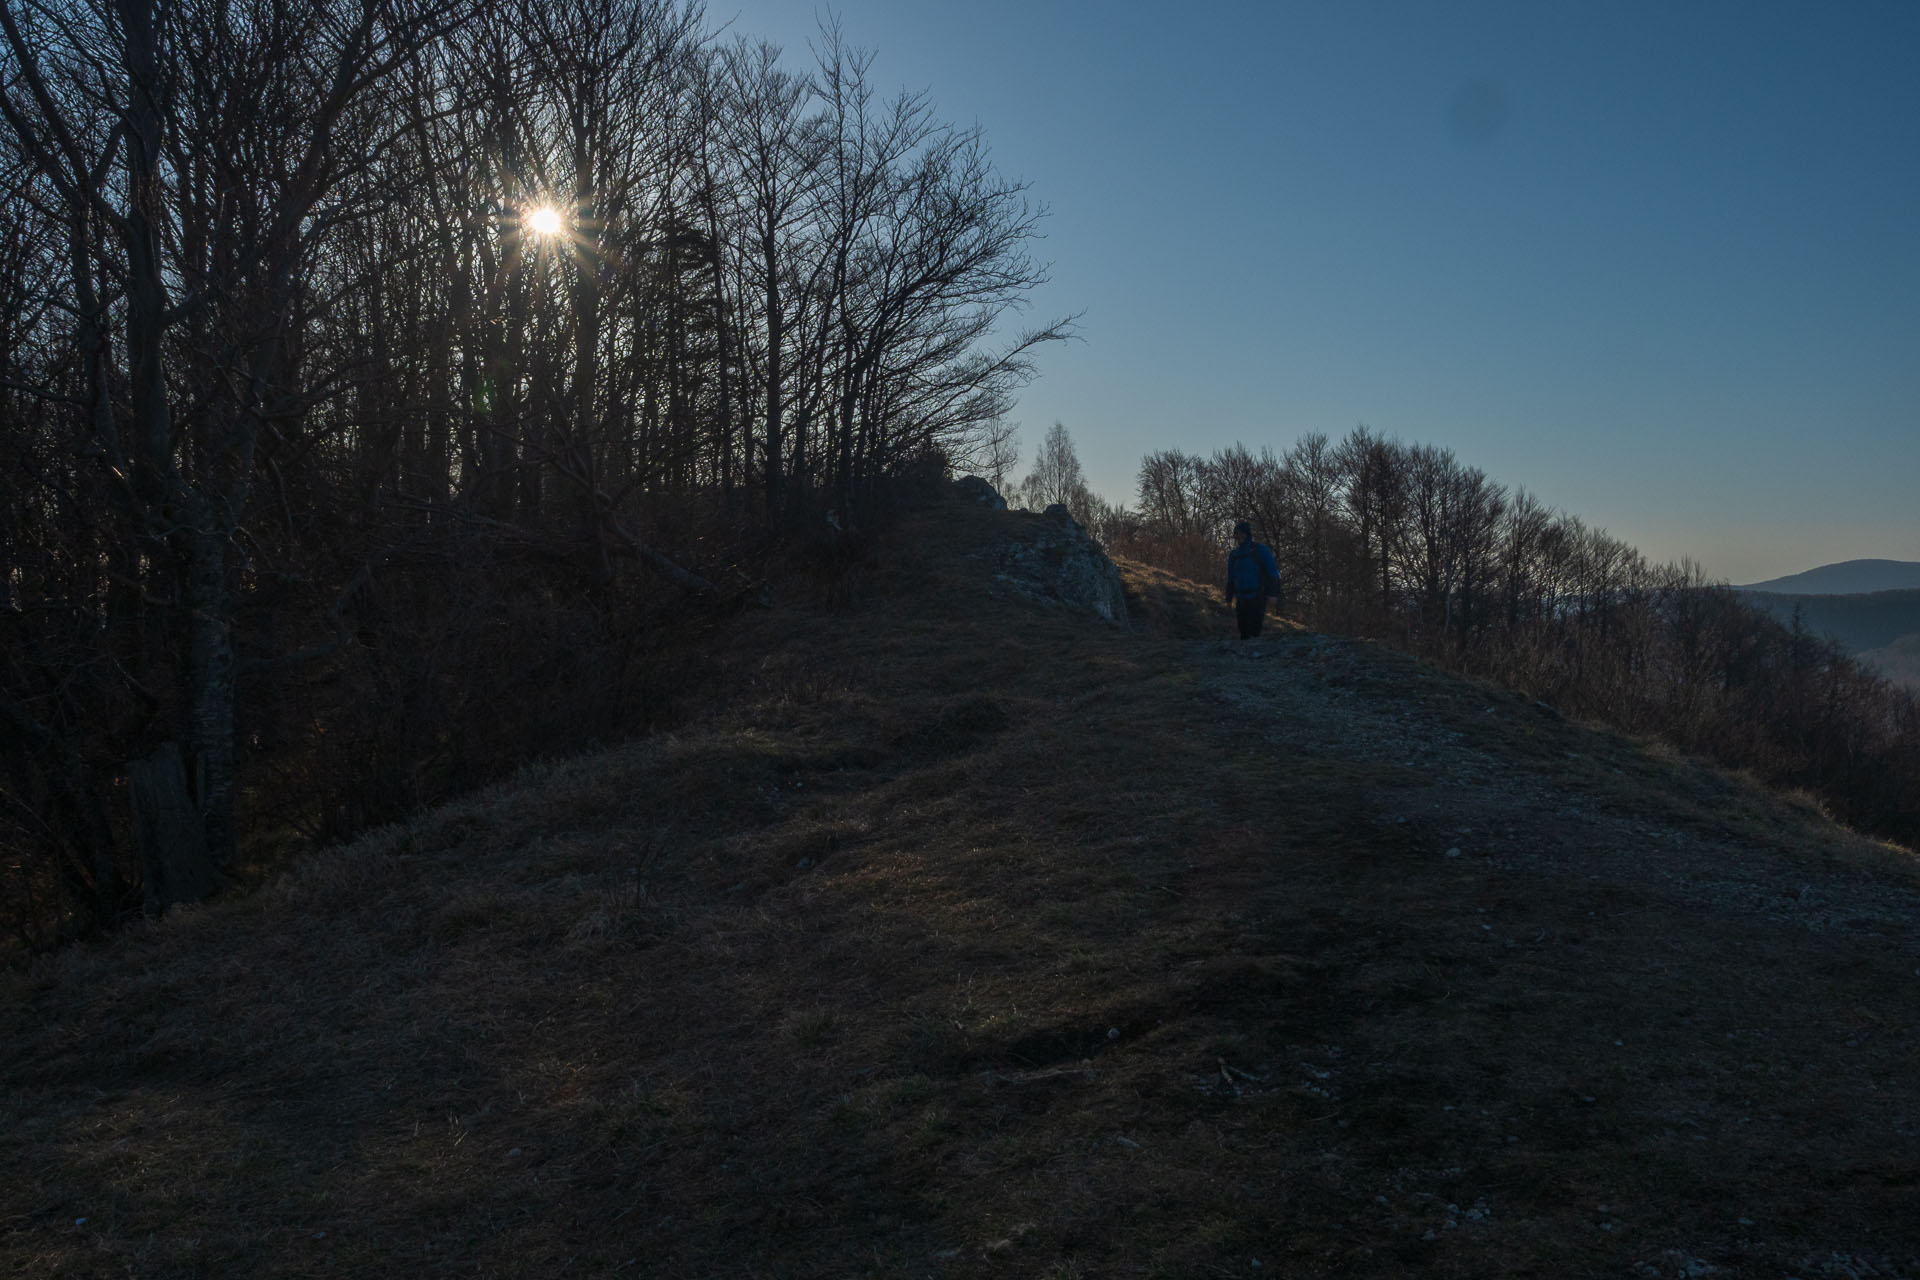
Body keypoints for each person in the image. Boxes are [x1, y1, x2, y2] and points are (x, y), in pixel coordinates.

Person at [1223, 520, 1281, 641]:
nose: (1238, 536)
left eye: (1241, 533)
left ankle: (1257, 656)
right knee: (1243, 632)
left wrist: (1273, 594)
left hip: (1257, 596)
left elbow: (1273, 573)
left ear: (1247, 534)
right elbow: (1231, 577)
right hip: (1240, 598)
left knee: (1254, 632)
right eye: (1236, 534)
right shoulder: (1234, 555)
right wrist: (1228, 599)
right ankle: (1245, 657)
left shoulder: (1260, 550)